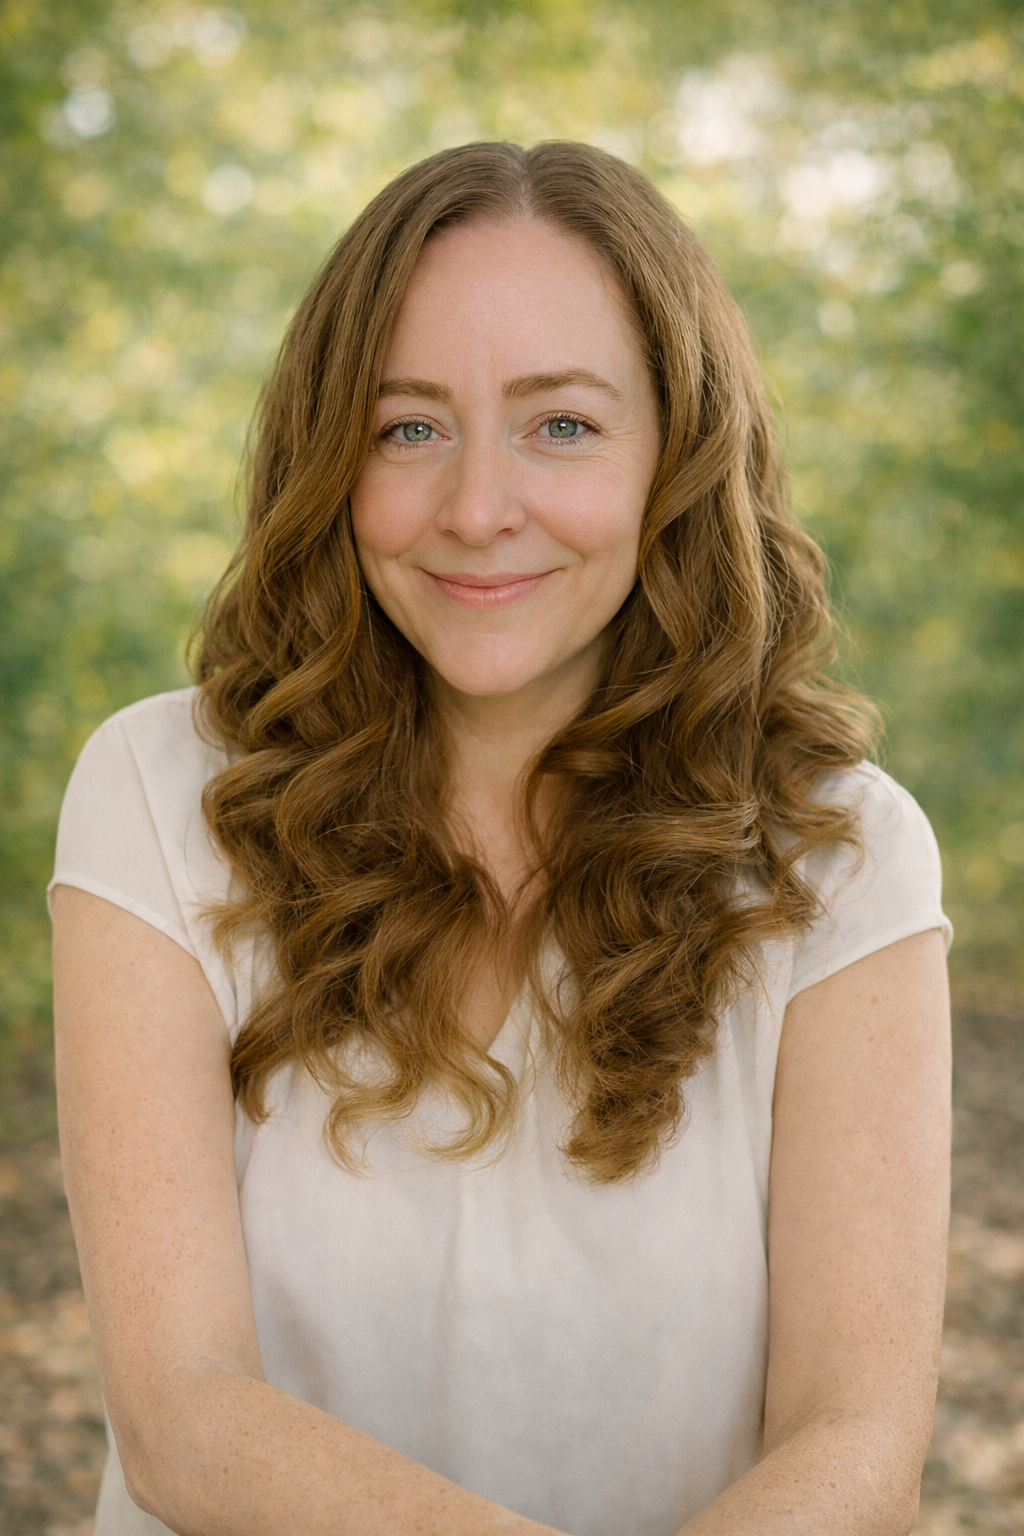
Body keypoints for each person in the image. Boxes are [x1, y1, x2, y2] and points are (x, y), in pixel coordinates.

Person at [50, 140, 952, 1536]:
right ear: (330, 460)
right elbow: (182, 1417)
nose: (477, 508)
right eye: (408, 427)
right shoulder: (159, 798)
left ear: (676, 455)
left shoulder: (843, 856)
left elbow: (855, 1437)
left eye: (563, 425)